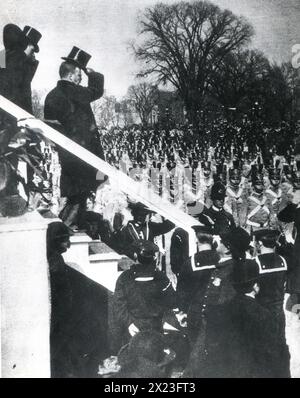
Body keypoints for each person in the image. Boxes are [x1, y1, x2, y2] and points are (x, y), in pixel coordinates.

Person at [44, 46, 105, 230]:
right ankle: (63, 231)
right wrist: (92, 74)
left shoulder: (51, 96)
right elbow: (96, 91)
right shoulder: (75, 92)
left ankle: (68, 228)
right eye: (79, 75)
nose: (80, 79)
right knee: (78, 198)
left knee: (74, 195)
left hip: (66, 155)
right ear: (72, 75)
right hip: (83, 155)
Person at [112, 240, 177, 350]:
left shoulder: (124, 278)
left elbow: (118, 306)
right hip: (155, 327)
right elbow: (172, 301)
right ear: (153, 258)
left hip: (133, 330)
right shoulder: (161, 277)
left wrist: (129, 324)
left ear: (135, 255)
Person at [253, 228, 290, 378]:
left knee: (261, 349)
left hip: (262, 311)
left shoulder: (256, 262)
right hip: (279, 312)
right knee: (279, 345)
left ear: (260, 243)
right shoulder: (283, 261)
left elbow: (254, 289)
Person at [1, 23, 41, 112]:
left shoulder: (3, 57)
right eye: (32, 50)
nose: (33, 55)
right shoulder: (18, 64)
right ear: (25, 46)